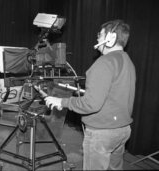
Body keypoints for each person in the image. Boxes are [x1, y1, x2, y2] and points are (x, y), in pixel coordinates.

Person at [44, 19, 136, 170]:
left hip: (102, 134)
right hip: (122, 130)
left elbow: (91, 104)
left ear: (110, 38)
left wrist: (62, 102)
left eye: (100, 35)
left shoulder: (104, 62)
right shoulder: (127, 60)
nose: (97, 38)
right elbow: (113, 94)